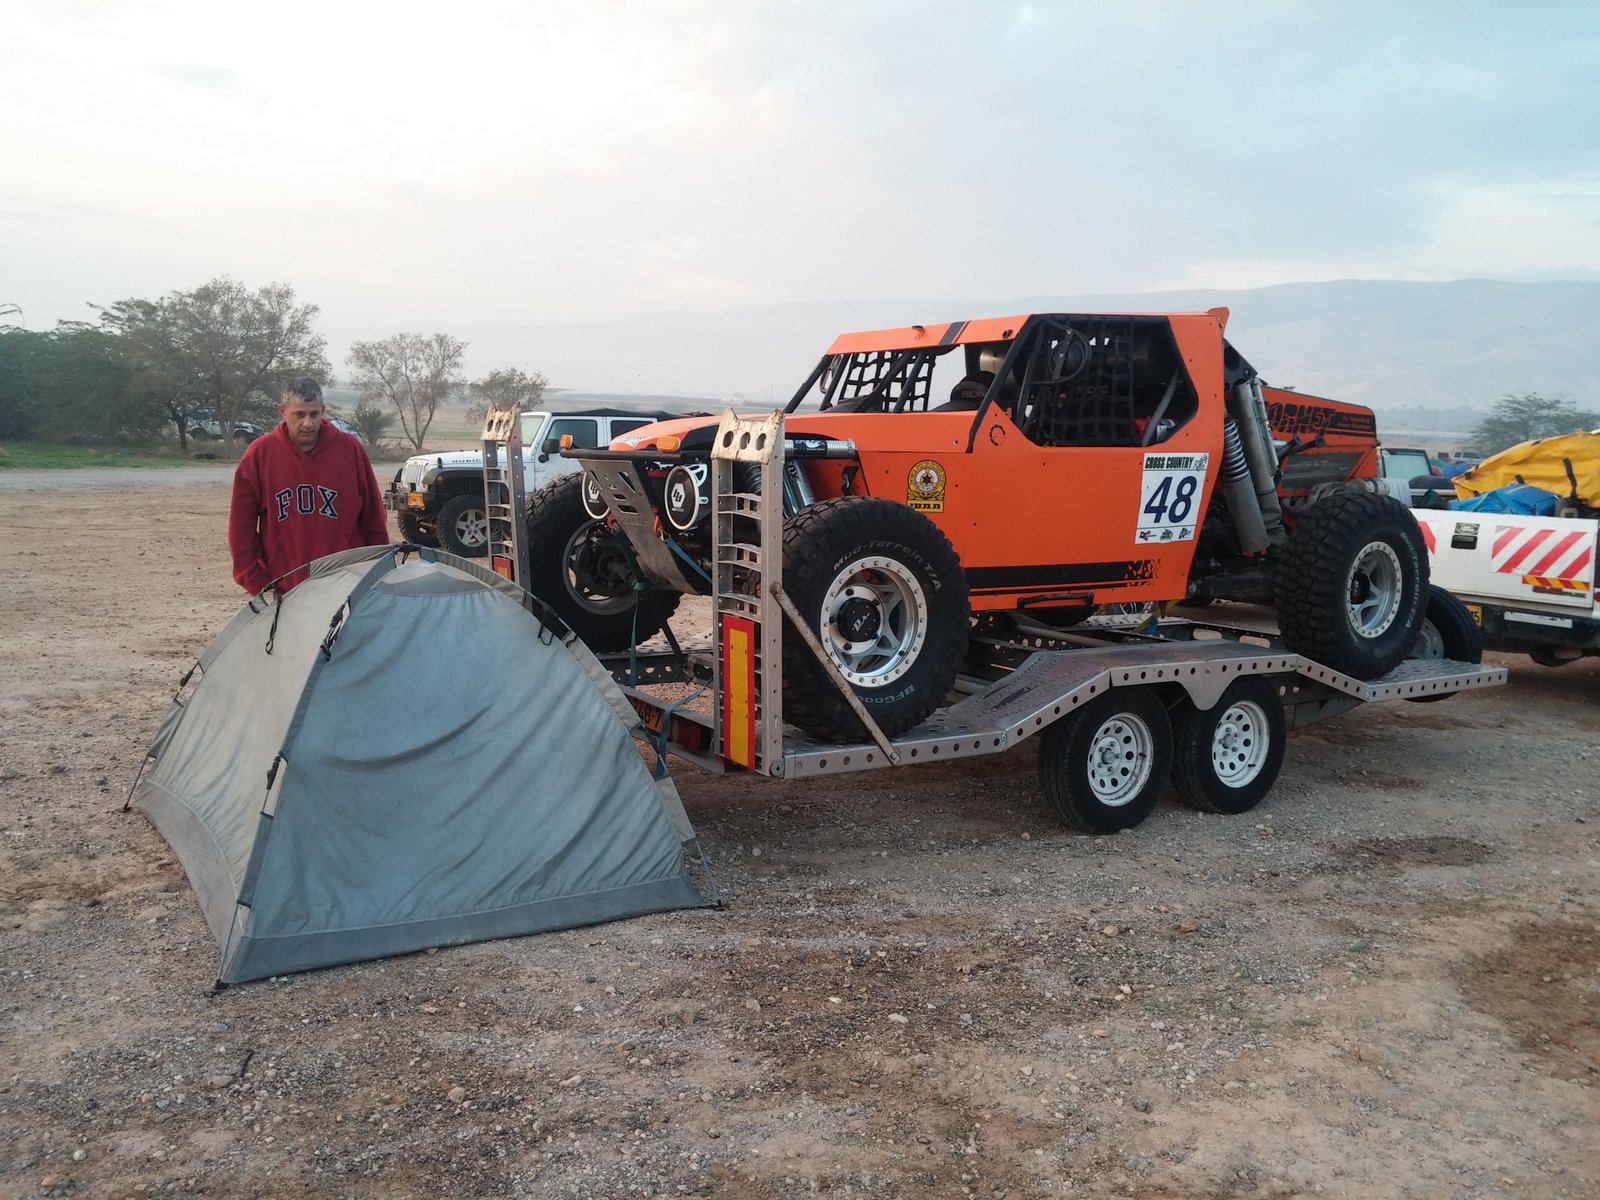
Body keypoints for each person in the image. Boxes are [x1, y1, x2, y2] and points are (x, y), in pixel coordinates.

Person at [228, 378, 390, 595]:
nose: (308, 423)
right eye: (299, 414)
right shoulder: (260, 454)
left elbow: (373, 519)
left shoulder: (349, 449)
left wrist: (374, 571)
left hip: (346, 584)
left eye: (314, 414)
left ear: (323, 410)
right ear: (282, 411)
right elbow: (241, 528)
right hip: (285, 588)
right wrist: (256, 581)